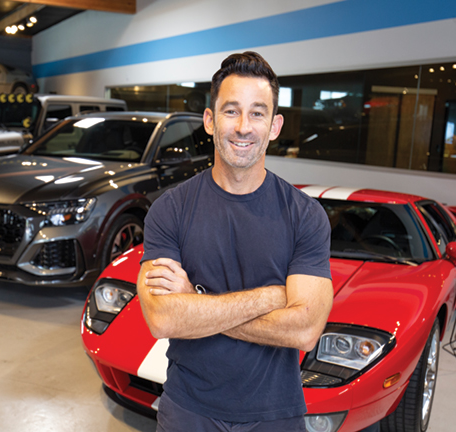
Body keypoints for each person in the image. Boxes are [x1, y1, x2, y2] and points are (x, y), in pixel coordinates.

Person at [136, 51, 334, 432]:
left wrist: (194, 306)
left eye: (257, 113)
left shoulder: (305, 215)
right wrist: (272, 296)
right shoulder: (169, 210)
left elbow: (305, 331)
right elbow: (162, 319)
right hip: (188, 410)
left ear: (275, 126)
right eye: (231, 111)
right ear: (210, 121)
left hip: (276, 413)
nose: (244, 126)